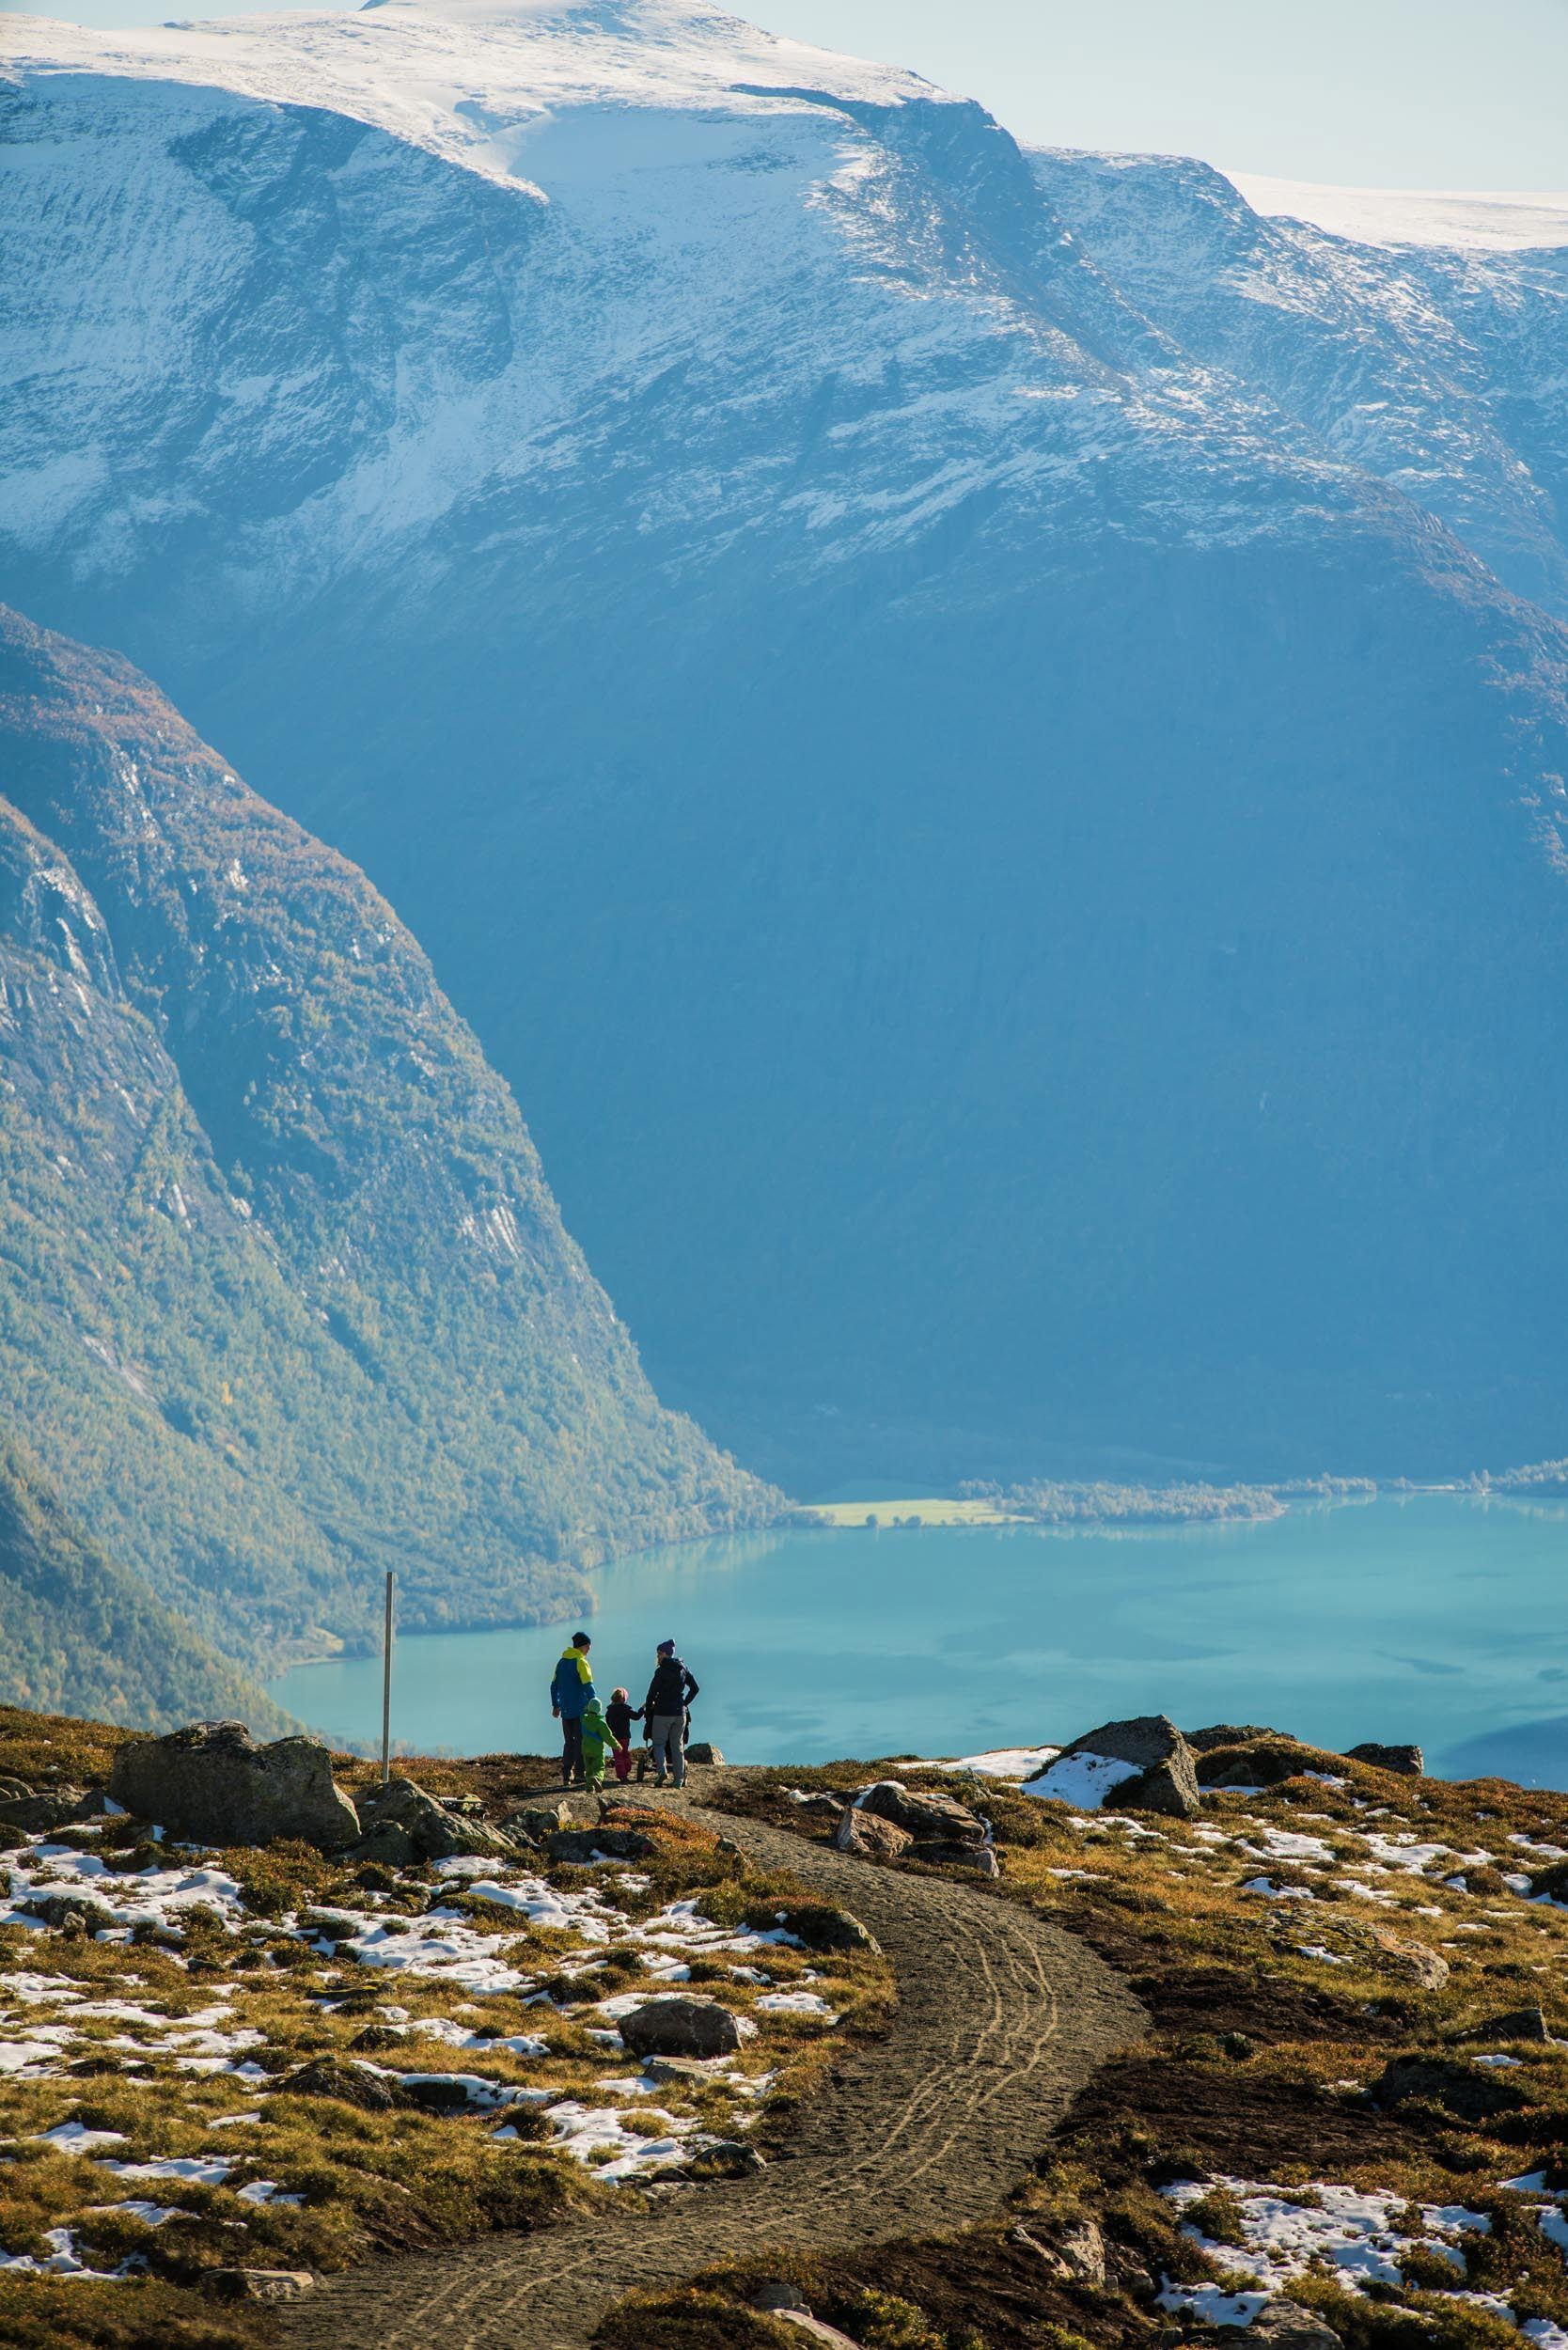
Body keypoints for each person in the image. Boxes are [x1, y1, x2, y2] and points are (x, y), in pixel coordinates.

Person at [642, 1638, 699, 1788]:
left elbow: (651, 1693)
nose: (658, 1656)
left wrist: (648, 1710)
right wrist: (685, 1704)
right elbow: (695, 1688)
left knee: (659, 1743)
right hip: (680, 1713)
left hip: (662, 1712)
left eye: (659, 1653)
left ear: (666, 1654)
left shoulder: (660, 1671)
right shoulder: (683, 1668)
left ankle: (662, 1771)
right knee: (677, 1746)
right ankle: (678, 1780)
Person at [550, 1632, 595, 1789]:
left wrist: (555, 1705)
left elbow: (554, 1685)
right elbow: (587, 1685)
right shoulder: (581, 1662)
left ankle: (566, 1774)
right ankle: (580, 1773)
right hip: (580, 1709)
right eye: (588, 1645)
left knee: (569, 1742)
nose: (589, 1648)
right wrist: (594, 1702)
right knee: (580, 1741)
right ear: (582, 1646)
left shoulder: (561, 1662)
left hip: (566, 1710)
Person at [579, 1695, 618, 1794]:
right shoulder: (601, 1723)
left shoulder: (584, 1719)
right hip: (597, 1750)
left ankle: (589, 1787)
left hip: (585, 1749)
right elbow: (608, 1737)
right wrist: (617, 1746)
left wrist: (585, 1708)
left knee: (588, 1768)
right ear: (599, 1709)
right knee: (599, 1767)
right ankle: (597, 1778)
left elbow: (582, 1712)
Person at [604, 1686, 642, 1785]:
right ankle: (626, 1770)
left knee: (618, 1757)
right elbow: (637, 1716)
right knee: (625, 1754)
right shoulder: (626, 1708)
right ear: (624, 1698)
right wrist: (643, 1709)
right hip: (624, 1736)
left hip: (613, 1737)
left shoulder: (609, 1711)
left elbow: (607, 1724)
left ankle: (622, 1775)